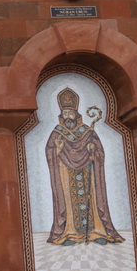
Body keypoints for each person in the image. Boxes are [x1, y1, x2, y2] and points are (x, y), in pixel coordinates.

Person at [45, 87, 123, 246]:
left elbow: (99, 152)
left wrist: (93, 150)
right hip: (66, 172)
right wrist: (57, 150)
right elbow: (50, 151)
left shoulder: (88, 131)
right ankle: (70, 233)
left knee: (92, 199)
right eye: (65, 113)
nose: (67, 116)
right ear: (61, 115)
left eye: (70, 113)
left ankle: (97, 232)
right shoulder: (57, 132)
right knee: (69, 200)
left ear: (76, 114)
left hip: (88, 171)